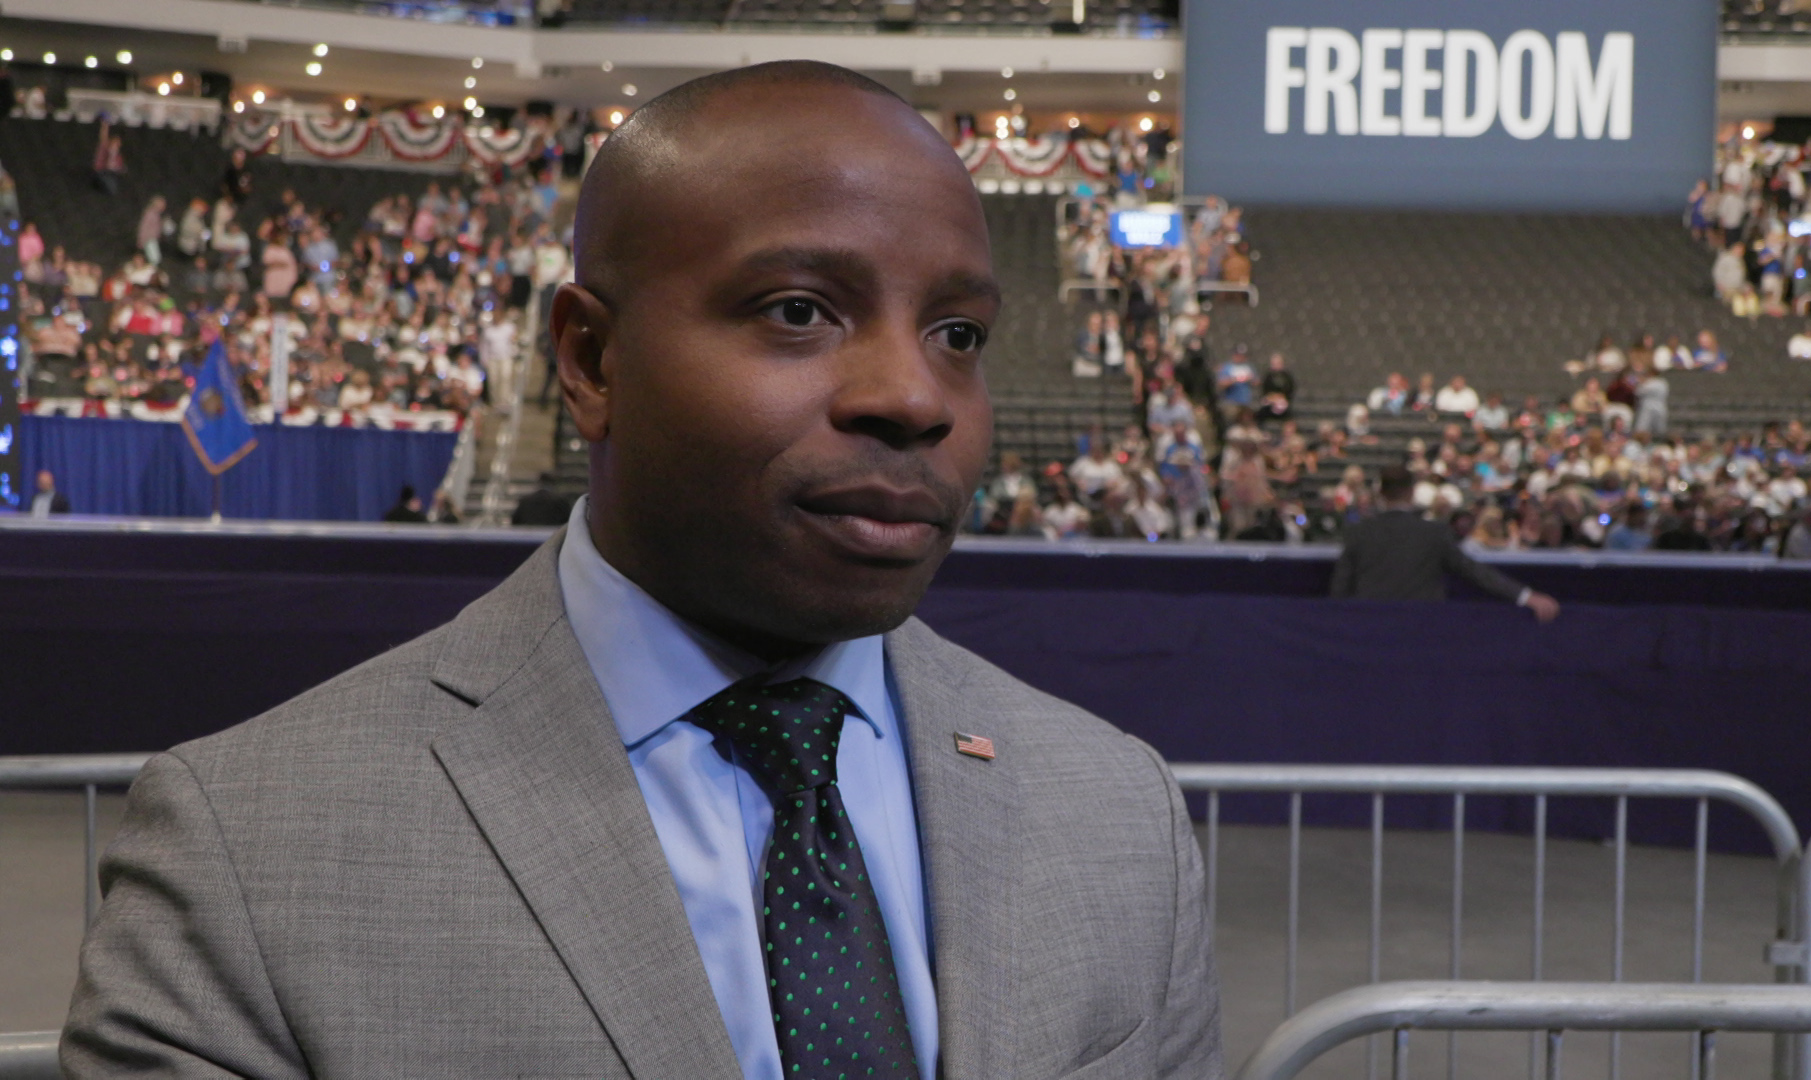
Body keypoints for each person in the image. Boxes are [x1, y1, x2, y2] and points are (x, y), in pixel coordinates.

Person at [66, 62, 1222, 1080]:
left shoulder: (1119, 815)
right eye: (800, 310)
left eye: (957, 335)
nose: (914, 398)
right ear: (589, 357)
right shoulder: (249, 852)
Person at [1330, 465, 1560, 622]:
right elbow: (1474, 572)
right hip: (1423, 628)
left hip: (1370, 628)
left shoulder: (1358, 532)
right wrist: (1525, 596)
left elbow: (1340, 590)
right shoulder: (1434, 533)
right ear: (1411, 493)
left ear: (1381, 493)